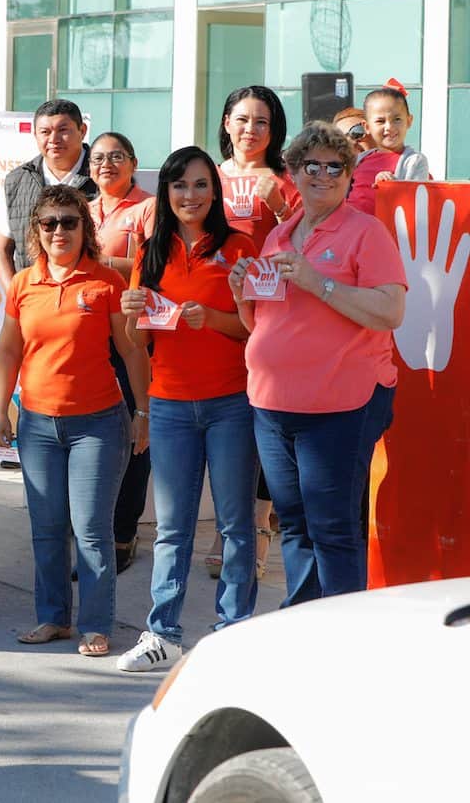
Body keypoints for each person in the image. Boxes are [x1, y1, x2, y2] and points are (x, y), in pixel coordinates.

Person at [227, 121, 406, 606]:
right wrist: (241, 292)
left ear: (349, 176)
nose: (324, 175)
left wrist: (319, 283)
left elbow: (390, 311)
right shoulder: (280, 235)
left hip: (340, 405)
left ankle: (341, 632)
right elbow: (262, 322)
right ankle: (304, 620)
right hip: (273, 405)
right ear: (293, 172)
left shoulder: (366, 232)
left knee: (333, 528)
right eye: (313, 165)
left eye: (336, 167)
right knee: (295, 524)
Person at [115, 147, 260, 673]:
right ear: (166, 193)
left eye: (201, 185)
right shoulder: (150, 252)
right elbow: (137, 340)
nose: (190, 195)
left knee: (236, 525)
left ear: (215, 192)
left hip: (231, 403)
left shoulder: (240, 247)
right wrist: (131, 313)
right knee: (172, 529)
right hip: (171, 404)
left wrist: (213, 320)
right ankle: (163, 635)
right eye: (180, 185)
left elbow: (257, 327)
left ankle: (232, 634)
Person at [0, 185, 150, 656]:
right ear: (36, 231)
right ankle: (53, 618)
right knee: (47, 529)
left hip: (97, 426)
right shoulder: (23, 284)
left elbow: (132, 351)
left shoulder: (106, 282)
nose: (58, 231)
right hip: (38, 425)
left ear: (85, 228)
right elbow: (8, 351)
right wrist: (0, 410)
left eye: (69, 222)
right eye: (49, 223)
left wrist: (143, 412)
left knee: (92, 531)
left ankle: (96, 625)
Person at [212, 84, 299, 579]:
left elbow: (308, 237)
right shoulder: (206, 175)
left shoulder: (287, 179)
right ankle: (228, 527)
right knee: (224, 423)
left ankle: (261, 523)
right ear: (226, 123)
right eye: (242, 119)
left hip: (269, 316)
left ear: (274, 130)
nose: (250, 129)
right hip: (212, 313)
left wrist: (281, 206)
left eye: (261, 121)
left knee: (264, 420)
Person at [87, 132, 155, 573]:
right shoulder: (84, 208)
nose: (106, 164)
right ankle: (91, 527)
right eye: (98, 158)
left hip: (130, 334)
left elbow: (160, 264)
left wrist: (105, 266)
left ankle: (124, 532)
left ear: (132, 162)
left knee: (135, 431)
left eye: (116, 156)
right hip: (87, 334)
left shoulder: (148, 207)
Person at [0, 99, 98, 292]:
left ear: (82, 130)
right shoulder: (17, 180)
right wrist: (15, 297)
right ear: (35, 135)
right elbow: (2, 250)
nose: (54, 139)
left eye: (63, 130)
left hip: (90, 299)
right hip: (33, 300)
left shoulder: (103, 176)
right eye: (45, 132)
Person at [347, 85, 430, 215]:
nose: (389, 127)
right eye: (380, 121)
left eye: (397, 119)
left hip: (383, 226)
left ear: (409, 121)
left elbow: (417, 203)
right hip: (350, 223)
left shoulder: (414, 161)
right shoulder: (359, 160)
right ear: (367, 127)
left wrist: (392, 186)